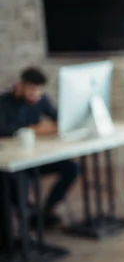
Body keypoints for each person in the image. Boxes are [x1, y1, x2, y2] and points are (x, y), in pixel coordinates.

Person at [0, 67, 79, 227]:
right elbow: (3, 130)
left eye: (38, 90)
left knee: (72, 168)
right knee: (18, 180)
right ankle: (27, 218)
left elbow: (59, 120)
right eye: (31, 89)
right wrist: (32, 129)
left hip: (36, 157)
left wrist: (54, 126)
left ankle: (46, 211)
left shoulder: (40, 100)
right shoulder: (4, 103)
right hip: (14, 161)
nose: (34, 94)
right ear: (20, 86)